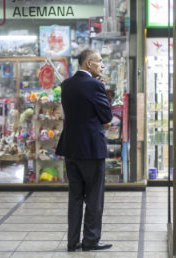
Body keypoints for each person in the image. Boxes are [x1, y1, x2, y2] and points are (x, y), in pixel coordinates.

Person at [56, 49, 113, 252]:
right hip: (91, 149)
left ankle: (72, 242)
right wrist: (103, 92)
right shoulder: (96, 85)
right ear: (89, 63)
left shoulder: (66, 84)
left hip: (70, 148)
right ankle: (90, 241)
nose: (102, 65)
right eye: (99, 61)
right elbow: (107, 116)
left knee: (76, 196)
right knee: (94, 196)